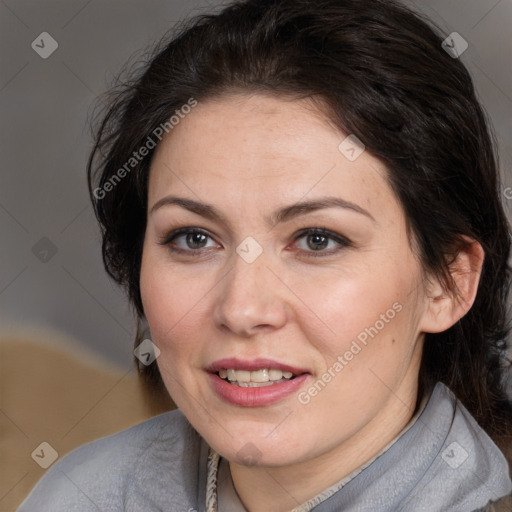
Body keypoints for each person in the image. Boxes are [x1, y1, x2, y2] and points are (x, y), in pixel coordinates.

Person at [18, 0, 512, 510]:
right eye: (194, 238)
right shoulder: (79, 493)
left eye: (318, 239)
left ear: (447, 283)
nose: (241, 310)